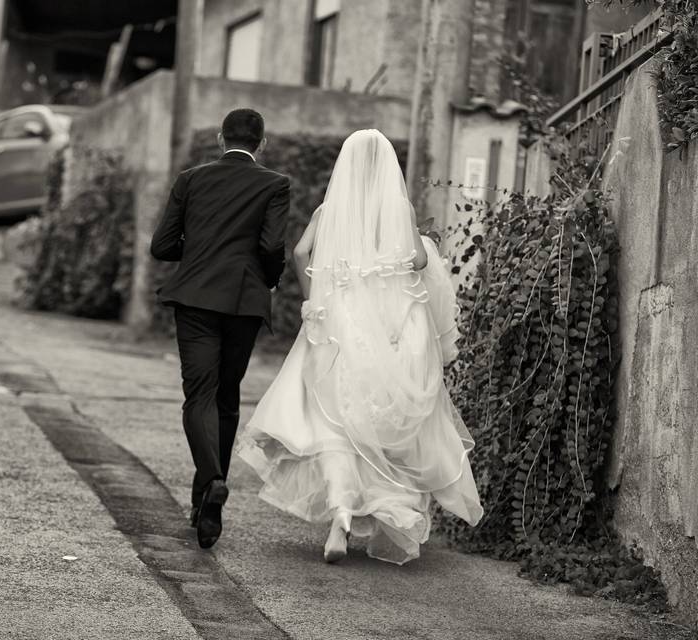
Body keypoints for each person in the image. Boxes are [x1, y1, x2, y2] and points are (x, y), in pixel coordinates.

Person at [235, 129, 483, 564]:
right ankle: (366, 510)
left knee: (334, 421)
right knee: (383, 423)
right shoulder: (398, 207)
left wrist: (316, 293)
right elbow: (420, 261)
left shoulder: (331, 210)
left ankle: (342, 512)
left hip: (340, 321)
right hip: (392, 326)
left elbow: (300, 252)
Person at [151, 108, 290, 549]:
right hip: (245, 302)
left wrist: (195, 254)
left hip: (194, 298)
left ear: (218, 138)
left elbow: (162, 245)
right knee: (226, 399)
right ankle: (206, 507)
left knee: (199, 396)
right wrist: (263, 280)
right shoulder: (275, 184)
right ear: (261, 144)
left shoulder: (190, 180)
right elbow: (271, 246)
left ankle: (210, 483)